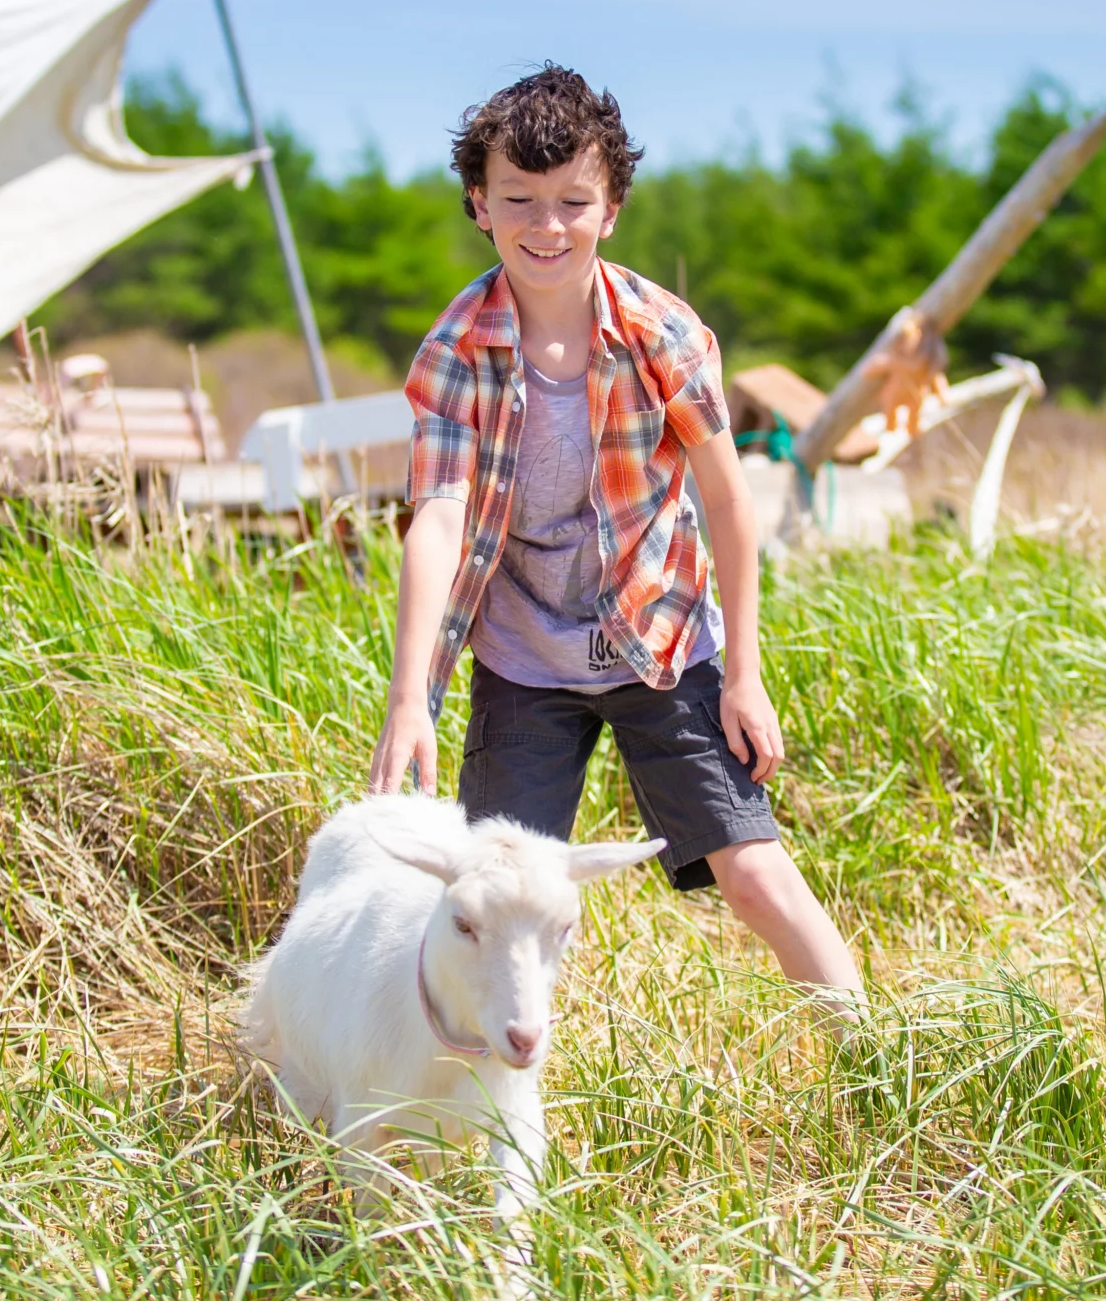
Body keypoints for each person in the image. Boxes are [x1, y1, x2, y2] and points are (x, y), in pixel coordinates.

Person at [367, 65, 862, 997]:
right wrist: (409, 701)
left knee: (753, 874)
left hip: (662, 640)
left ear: (613, 207)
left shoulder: (661, 334)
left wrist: (745, 676)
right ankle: (489, 1110)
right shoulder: (454, 350)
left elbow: (728, 501)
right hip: (523, 657)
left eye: (572, 202)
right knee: (492, 899)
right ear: (479, 204)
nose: (546, 226)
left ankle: (877, 1065)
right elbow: (434, 520)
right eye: (519, 199)